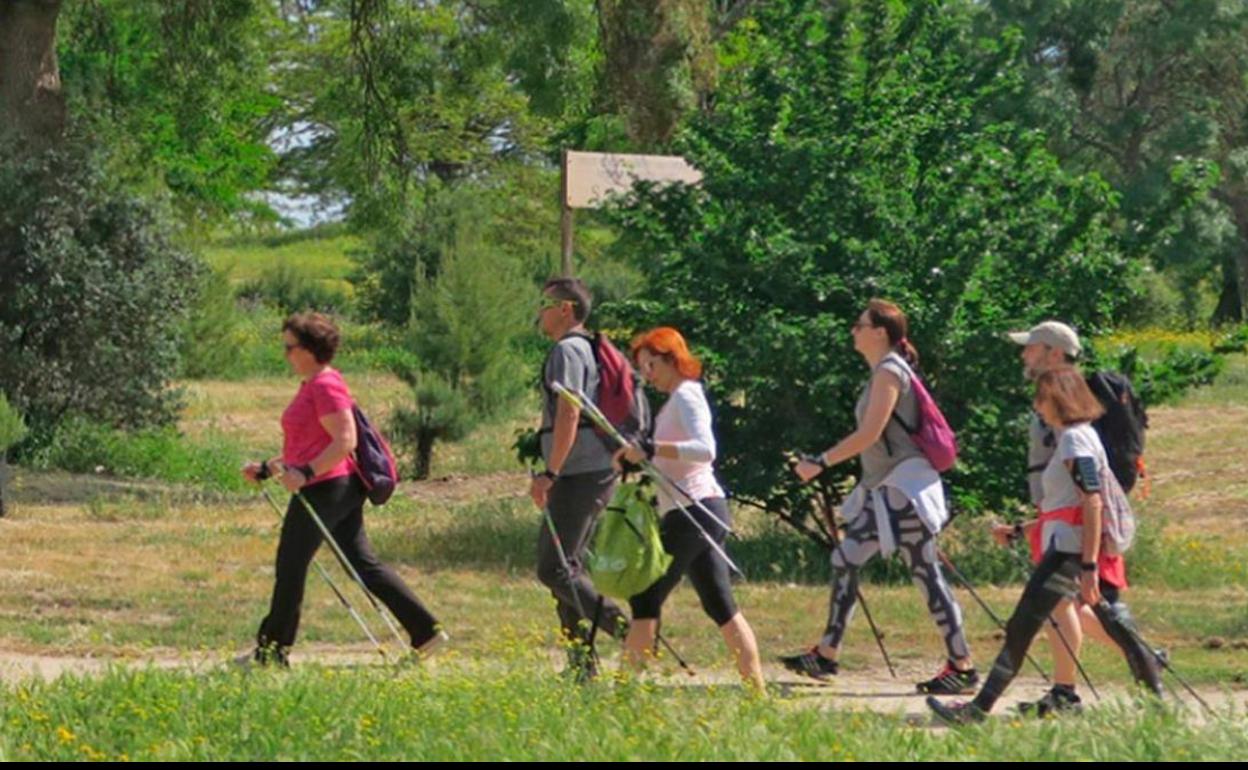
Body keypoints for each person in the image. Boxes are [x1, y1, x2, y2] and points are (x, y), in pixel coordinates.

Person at [927, 368, 1159, 725]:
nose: (1037, 405)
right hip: (1066, 549)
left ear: (1057, 398)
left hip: (1067, 554)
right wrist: (1022, 530)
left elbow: (1091, 502)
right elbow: (1066, 506)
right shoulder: (1081, 436)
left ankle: (977, 711)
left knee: (1022, 628)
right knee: (1053, 626)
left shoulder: (1073, 441)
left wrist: (1087, 567)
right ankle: (1155, 698)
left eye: (1041, 397)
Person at [780, 299, 977, 695]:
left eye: (860, 324)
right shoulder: (883, 372)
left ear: (880, 333)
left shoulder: (889, 372)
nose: (853, 330)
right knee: (851, 559)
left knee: (923, 574)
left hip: (903, 491)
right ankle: (827, 653)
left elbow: (870, 434)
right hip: (892, 490)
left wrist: (820, 462)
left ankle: (963, 666)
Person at [240, 312, 444, 665]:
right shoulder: (314, 384)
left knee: (290, 566)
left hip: (327, 487)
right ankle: (425, 631)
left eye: (289, 347)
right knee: (362, 564)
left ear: (309, 349)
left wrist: (304, 472)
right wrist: (269, 467)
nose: (285, 354)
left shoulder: (325, 385)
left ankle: (271, 653)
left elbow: (345, 440)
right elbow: (311, 441)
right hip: (333, 485)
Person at [990, 322, 1162, 715]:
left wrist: (1085, 556)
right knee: (1077, 609)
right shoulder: (1068, 401)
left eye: (1031, 348)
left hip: (1074, 530)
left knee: (1075, 610)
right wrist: (1026, 528)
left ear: (1053, 352)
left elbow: (1086, 491)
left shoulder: (1067, 408)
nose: (1024, 355)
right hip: (1063, 524)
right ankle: (1133, 669)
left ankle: (1133, 670)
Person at [613, 327, 765, 690]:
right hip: (695, 510)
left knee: (645, 595)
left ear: (669, 358)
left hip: (694, 509)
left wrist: (652, 449)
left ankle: (623, 693)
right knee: (719, 604)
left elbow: (705, 449)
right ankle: (757, 694)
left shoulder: (687, 395)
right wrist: (639, 458)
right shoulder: (676, 399)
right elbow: (668, 454)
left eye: (650, 365)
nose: (648, 375)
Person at [530, 278, 629, 679]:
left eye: (545, 304)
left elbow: (569, 412)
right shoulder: (585, 347)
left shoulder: (568, 350)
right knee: (568, 567)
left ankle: (629, 632)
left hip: (579, 471)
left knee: (553, 569)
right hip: (592, 469)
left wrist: (550, 472)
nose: (539, 312)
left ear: (566, 309)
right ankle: (581, 667)